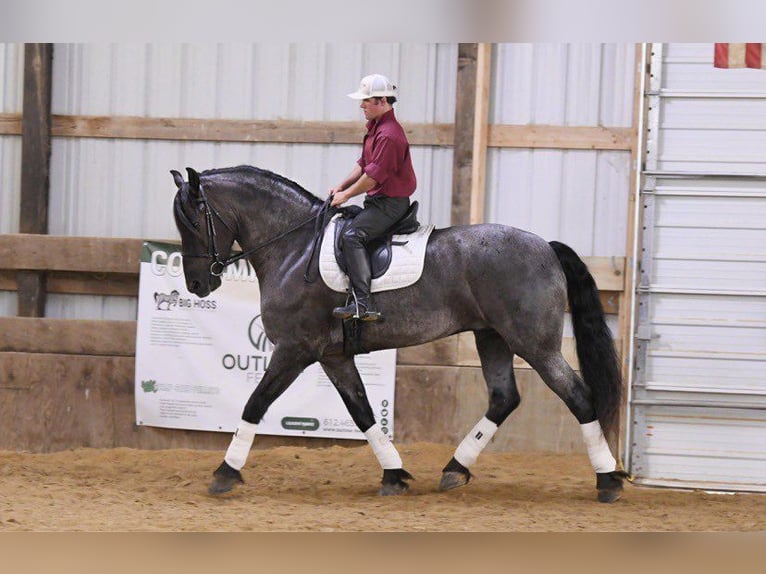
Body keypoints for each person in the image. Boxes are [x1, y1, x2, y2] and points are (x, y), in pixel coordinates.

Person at [329, 73, 417, 322]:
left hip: (390, 204)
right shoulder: (376, 129)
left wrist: (347, 195)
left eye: (366, 101)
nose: (361, 105)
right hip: (377, 202)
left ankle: (363, 303)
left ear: (381, 101)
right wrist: (341, 186)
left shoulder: (389, 135)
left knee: (352, 236)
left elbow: (374, 178)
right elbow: (364, 165)